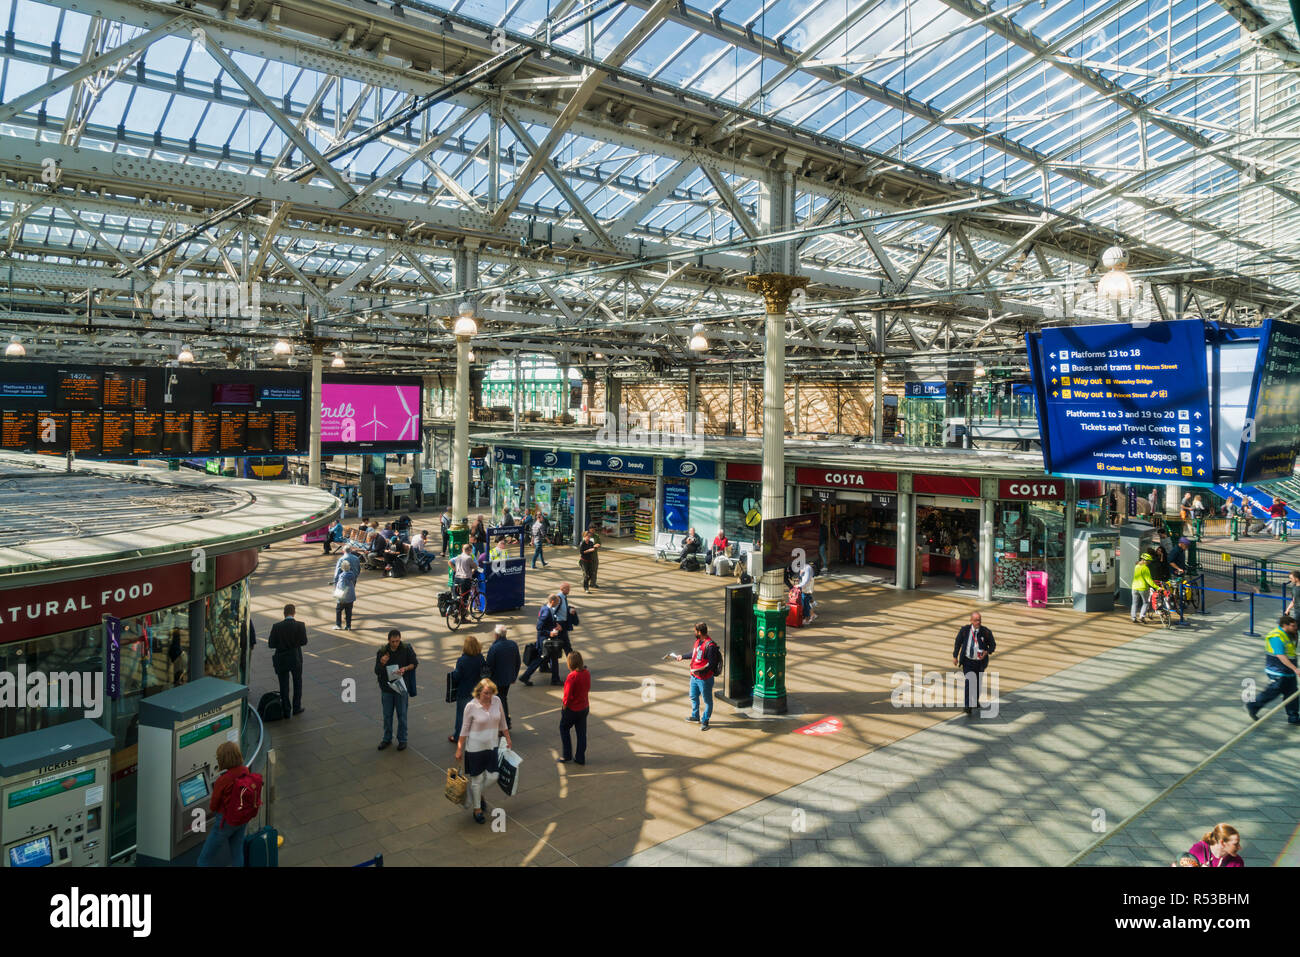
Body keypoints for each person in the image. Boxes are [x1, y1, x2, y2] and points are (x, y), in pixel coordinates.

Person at [454, 679, 510, 824]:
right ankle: (477, 810)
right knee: (477, 779)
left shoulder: (497, 701)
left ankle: (474, 794)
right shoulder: (471, 706)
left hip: (492, 746)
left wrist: (508, 738)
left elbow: (503, 721)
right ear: (479, 692)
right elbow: (464, 729)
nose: (489, 696)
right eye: (486, 693)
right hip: (475, 748)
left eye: (491, 693)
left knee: (493, 776)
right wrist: (459, 748)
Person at [196, 742, 253, 867]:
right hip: (242, 818)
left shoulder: (222, 780)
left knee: (204, 859)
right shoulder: (245, 770)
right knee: (237, 853)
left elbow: (213, 805)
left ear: (222, 759)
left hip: (225, 823)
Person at [1246, 615, 1300, 725]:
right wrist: (1295, 669)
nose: (1296, 628)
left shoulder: (1288, 634)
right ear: (1285, 625)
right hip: (1278, 671)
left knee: (1292, 694)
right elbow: (1281, 655)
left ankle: (1293, 717)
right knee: (1273, 692)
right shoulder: (1276, 637)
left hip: (1287, 671)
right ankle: (1253, 705)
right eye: (1293, 626)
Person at [670, 621, 722, 731]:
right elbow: (694, 654)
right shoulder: (698, 642)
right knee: (693, 696)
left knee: (707, 701)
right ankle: (695, 716)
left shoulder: (710, 646)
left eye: (695, 631)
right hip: (694, 676)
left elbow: (712, 664)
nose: (694, 632)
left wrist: (701, 672)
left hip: (704, 679)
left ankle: (705, 721)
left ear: (699, 632)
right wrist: (682, 656)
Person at [375, 629, 416, 750]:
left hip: (401, 687)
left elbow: (414, 663)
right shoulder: (382, 652)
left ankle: (402, 739)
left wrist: (405, 669)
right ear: (388, 640)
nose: (395, 644)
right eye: (393, 641)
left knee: (402, 715)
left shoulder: (406, 649)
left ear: (400, 639)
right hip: (387, 688)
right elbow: (377, 671)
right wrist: (382, 663)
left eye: (397, 641)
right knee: (387, 716)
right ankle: (386, 739)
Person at [952, 611, 996, 717]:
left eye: (979, 620)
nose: (978, 622)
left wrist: (987, 652)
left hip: (980, 663)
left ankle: (975, 700)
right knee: (969, 682)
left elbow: (993, 645)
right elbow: (958, 643)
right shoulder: (965, 631)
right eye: (976, 620)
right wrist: (955, 656)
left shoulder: (985, 632)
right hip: (968, 661)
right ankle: (967, 705)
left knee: (977, 683)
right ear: (971, 620)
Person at [267, 603, 307, 717]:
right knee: (297, 682)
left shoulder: (276, 626)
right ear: (294, 613)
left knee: (283, 685)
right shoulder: (300, 625)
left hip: (281, 658)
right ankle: (296, 707)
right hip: (296, 657)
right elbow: (304, 642)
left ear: (284, 613)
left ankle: (286, 710)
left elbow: (271, 644)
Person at [520, 593, 565, 686]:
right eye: (557, 602)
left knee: (548, 658)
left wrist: (556, 625)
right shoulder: (546, 612)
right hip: (546, 641)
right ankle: (554, 679)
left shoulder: (545, 608)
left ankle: (550, 676)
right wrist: (549, 633)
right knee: (544, 658)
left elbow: (548, 622)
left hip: (546, 640)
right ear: (552, 601)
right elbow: (539, 628)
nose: (558, 604)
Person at [450, 634, 487, 742]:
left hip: (464, 692)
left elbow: (456, 676)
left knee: (461, 715)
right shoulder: (480, 658)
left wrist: (454, 671)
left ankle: (458, 736)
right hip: (477, 692)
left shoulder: (462, 660)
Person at [485, 624, 521, 729]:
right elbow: (518, 662)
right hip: (508, 678)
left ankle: (504, 723)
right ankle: (504, 722)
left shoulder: (494, 648)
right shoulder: (513, 645)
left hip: (497, 680)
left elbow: (489, 665)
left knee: (499, 700)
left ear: (496, 635)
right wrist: (514, 676)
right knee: (503, 698)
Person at [559, 651, 591, 765]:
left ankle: (567, 755)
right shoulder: (586, 672)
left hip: (573, 709)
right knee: (581, 734)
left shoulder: (572, 676)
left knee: (563, 728)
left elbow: (567, 696)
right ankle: (580, 757)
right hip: (584, 707)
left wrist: (564, 707)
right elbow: (588, 687)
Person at [332, 545, 361, 631]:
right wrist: (355, 576)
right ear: (351, 550)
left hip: (343, 586)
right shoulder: (356, 558)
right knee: (349, 604)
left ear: (343, 551)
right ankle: (348, 624)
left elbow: (337, 573)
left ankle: (338, 624)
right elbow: (359, 569)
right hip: (353, 580)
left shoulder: (341, 559)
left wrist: (335, 584)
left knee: (339, 607)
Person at [449, 544, 479, 612]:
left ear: (463, 549)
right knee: (465, 597)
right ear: (470, 550)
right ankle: (463, 615)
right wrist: (473, 569)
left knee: (457, 596)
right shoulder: (469, 558)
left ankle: (456, 612)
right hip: (465, 579)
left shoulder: (458, 557)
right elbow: (475, 566)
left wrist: (455, 569)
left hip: (457, 578)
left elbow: (450, 561)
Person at [1131, 552, 1155, 623]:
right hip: (1143, 588)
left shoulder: (1137, 566)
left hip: (1134, 587)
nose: (1149, 562)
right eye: (1148, 561)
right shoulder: (1145, 568)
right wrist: (1157, 587)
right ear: (1145, 560)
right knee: (1145, 603)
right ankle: (1142, 616)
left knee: (1134, 603)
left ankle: (1133, 618)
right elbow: (1149, 580)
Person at [579, 527, 600, 591]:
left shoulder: (591, 542)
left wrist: (595, 546)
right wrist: (588, 550)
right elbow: (582, 552)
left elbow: (592, 548)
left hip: (590, 560)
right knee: (586, 575)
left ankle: (585, 582)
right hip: (583, 561)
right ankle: (586, 587)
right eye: (587, 536)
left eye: (589, 536)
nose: (588, 537)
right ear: (584, 537)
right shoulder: (582, 543)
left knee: (591, 574)